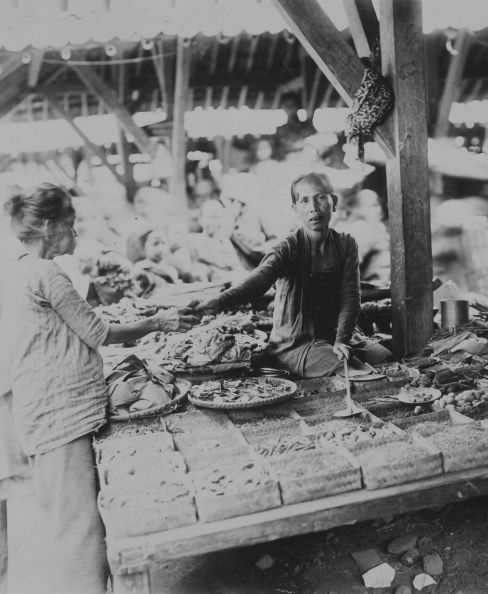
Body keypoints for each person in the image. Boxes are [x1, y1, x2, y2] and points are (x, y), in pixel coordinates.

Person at [0, 183, 198, 594]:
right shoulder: (44, 271)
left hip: (47, 413)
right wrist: (159, 322)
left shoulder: (19, 269)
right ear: (49, 226)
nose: (75, 234)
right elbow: (98, 331)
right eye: (70, 225)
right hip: (59, 417)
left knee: (69, 522)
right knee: (79, 530)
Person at [195, 172, 393, 377]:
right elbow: (260, 280)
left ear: (333, 202)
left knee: (385, 359)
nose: (314, 208)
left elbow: (350, 297)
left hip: (340, 336)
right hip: (297, 342)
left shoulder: (346, 244)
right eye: (304, 201)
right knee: (347, 368)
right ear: (295, 209)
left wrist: (342, 339)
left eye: (321, 197)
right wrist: (221, 300)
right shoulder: (287, 247)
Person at [334, 188, 390, 282]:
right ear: (357, 209)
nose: (379, 209)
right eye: (373, 206)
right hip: (375, 286)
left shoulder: (378, 227)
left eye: (378, 204)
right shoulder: (363, 227)